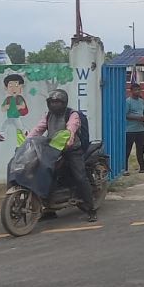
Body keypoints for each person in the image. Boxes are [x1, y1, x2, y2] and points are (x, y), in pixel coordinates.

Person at [27, 89, 97, 222]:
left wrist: (68, 140)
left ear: (64, 103)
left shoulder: (72, 114)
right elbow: (38, 129)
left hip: (71, 150)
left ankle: (91, 209)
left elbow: (71, 128)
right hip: (54, 150)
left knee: (80, 177)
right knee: (45, 174)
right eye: (52, 102)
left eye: (57, 102)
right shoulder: (48, 115)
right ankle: (49, 209)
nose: (54, 105)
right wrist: (26, 142)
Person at [124, 82, 144, 175]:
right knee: (127, 150)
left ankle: (142, 167)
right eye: (135, 90)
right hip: (130, 130)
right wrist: (137, 118)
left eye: (139, 90)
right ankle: (125, 169)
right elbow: (126, 115)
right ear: (131, 91)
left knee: (140, 150)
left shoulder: (141, 101)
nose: (137, 91)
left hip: (140, 129)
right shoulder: (128, 101)